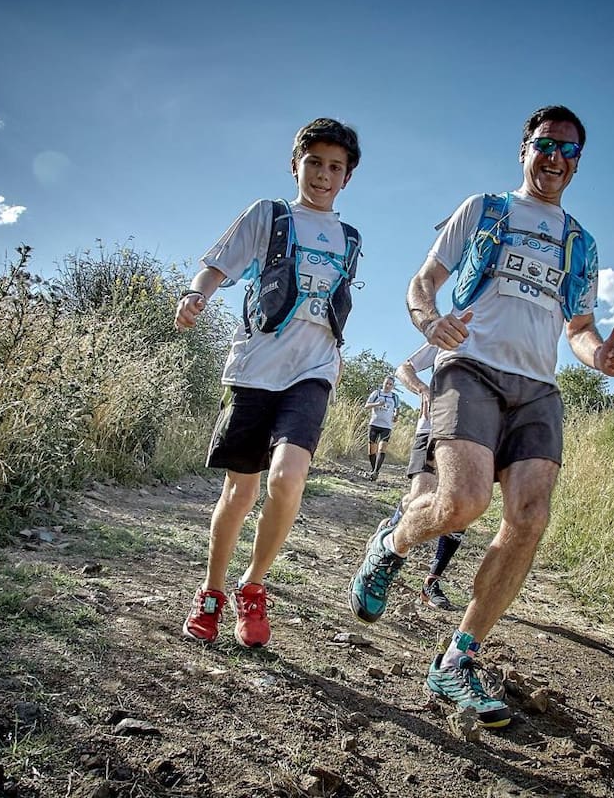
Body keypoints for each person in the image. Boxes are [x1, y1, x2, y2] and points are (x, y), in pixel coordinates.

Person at [348, 105, 614, 728]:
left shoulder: (580, 242)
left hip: (537, 388)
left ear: (578, 162)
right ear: (524, 149)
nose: (555, 156)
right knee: (462, 502)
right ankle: (390, 544)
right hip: (470, 366)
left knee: (529, 519)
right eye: (545, 144)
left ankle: (457, 659)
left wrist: (599, 356)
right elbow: (423, 281)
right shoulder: (483, 209)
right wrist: (430, 321)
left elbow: (579, 328)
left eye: (568, 150)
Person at [175, 117, 362, 648]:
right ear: (295, 164)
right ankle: (211, 592)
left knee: (287, 478)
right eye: (314, 163)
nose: (323, 175)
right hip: (255, 371)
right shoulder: (270, 216)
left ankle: (253, 586)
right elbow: (217, 265)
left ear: (347, 177)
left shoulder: (350, 239)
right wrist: (196, 296)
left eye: (335, 167)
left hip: (313, 372)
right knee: (240, 490)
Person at [387, 342, 465, 609]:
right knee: (418, 499)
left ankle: (431, 582)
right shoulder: (450, 332)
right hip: (431, 427)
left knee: (460, 504)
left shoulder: (504, 341)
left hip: (470, 436)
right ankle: (388, 539)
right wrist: (422, 389)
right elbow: (404, 368)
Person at [363, 376, 399, 480]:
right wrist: (377, 404)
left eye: (390, 384)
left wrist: (396, 416)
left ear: (393, 386)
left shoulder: (394, 397)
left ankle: (375, 472)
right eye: (386, 383)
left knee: (382, 448)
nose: (388, 386)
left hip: (386, 426)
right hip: (374, 424)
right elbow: (366, 406)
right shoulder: (376, 393)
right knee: (371, 451)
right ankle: (373, 469)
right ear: (383, 383)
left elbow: (397, 409)